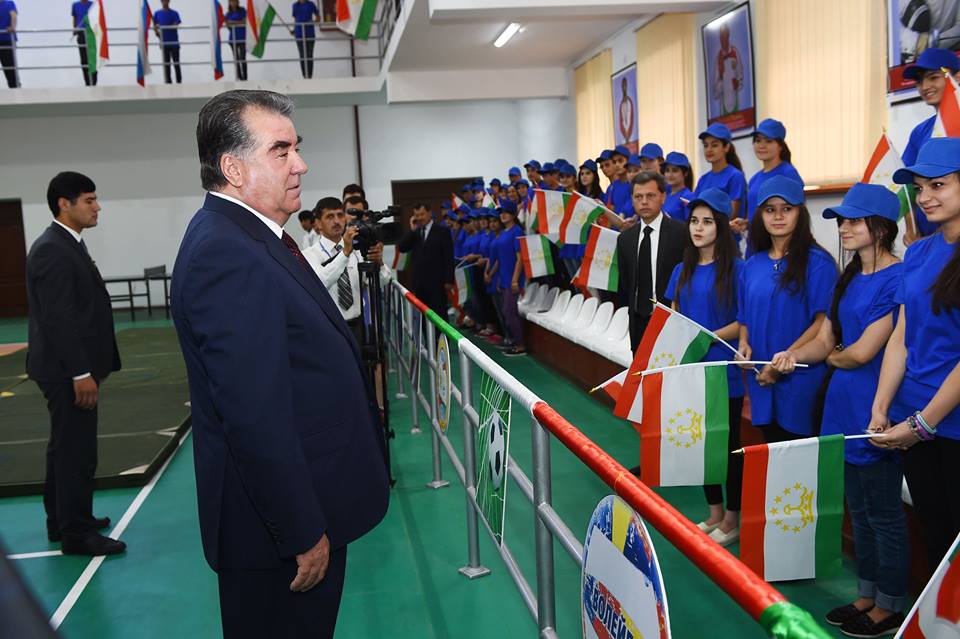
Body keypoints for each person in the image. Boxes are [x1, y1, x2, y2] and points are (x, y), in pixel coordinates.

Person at [171, 90, 389, 639]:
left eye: (297, 147)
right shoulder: (227, 253)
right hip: (279, 536)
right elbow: (253, 416)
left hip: (303, 505)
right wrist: (300, 530)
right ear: (233, 169)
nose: (301, 164)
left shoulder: (252, 238)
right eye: (281, 150)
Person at [771, 183, 908, 638]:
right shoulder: (847, 277)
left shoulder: (897, 278)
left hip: (875, 407)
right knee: (858, 509)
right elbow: (828, 341)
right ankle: (867, 594)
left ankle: (891, 603)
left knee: (883, 513)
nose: (844, 228)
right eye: (841, 221)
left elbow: (862, 352)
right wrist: (794, 355)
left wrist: (832, 355)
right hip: (840, 406)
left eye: (853, 221)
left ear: (881, 227)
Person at [869, 137, 960, 581]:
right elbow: (901, 338)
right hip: (913, 419)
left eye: (938, 185)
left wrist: (924, 424)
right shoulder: (920, 251)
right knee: (935, 533)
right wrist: (881, 406)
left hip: (949, 424)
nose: (924, 197)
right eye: (920, 187)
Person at [26, 172, 123, 556]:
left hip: (66, 368)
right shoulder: (53, 249)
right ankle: (77, 533)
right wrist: (80, 373)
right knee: (76, 452)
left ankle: (61, 519)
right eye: (89, 200)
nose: (97, 207)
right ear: (64, 204)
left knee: (64, 448)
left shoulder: (67, 244)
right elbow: (59, 319)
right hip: (66, 371)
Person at [664, 188, 744, 548]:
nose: (698, 228)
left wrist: (706, 336)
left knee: (727, 445)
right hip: (690, 367)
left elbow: (743, 322)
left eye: (707, 222)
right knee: (700, 443)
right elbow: (674, 313)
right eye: (694, 221)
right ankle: (714, 512)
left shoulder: (737, 270)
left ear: (721, 226)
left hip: (722, 367)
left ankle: (732, 518)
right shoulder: (681, 269)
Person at [738, 176, 838, 442]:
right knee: (771, 450)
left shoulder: (819, 264)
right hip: (761, 378)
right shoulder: (752, 265)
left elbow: (822, 323)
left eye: (787, 208)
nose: (778, 216)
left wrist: (783, 361)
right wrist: (743, 343)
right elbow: (744, 316)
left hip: (800, 378)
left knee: (798, 455)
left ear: (800, 213)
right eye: (770, 210)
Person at [616, 171, 687, 351]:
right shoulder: (625, 239)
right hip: (638, 321)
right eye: (638, 197)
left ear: (663, 197)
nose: (644, 202)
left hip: (671, 320)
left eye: (650, 196)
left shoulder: (681, 233)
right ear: (632, 199)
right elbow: (625, 283)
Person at [303, 197, 383, 345]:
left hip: (358, 325)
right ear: (318, 223)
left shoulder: (358, 251)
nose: (336, 221)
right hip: (329, 327)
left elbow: (381, 283)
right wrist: (345, 253)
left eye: (340, 215)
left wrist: (379, 263)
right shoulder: (309, 255)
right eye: (330, 216)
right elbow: (320, 282)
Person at [901, 48, 960, 241]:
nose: (925, 86)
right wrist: (911, 227)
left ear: (957, 77)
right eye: (919, 81)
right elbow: (907, 185)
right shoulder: (920, 132)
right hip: (929, 238)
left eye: (933, 77)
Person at [397, 202, 454, 317]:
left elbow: (448, 256)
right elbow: (402, 248)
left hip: (437, 282)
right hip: (419, 283)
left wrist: (449, 280)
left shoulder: (442, 231)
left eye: (422, 214)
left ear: (429, 213)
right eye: (417, 215)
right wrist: (412, 230)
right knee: (422, 316)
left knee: (439, 314)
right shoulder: (415, 232)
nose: (419, 218)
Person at [746, 118, 803, 226]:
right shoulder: (754, 179)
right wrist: (745, 223)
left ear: (780, 146)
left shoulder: (788, 173)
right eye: (758, 140)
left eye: (768, 141)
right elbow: (755, 214)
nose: (761, 145)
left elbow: (797, 213)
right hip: (755, 236)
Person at [695, 123, 748, 234]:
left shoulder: (735, 176)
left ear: (726, 147)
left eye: (714, 145)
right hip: (706, 237)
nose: (709, 149)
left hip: (726, 239)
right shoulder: (703, 180)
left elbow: (731, 214)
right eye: (706, 145)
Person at [153, 0, 182, 84]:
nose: (165, 2)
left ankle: (179, 82)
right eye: (163, 0)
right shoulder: (157, 13)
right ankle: (168, 83)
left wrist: (166, 26)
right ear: (161, 1)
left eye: (166, 0)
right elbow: (155, 26)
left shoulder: (174, 13)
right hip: (164, 43)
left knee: (176, 63)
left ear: (169, 1)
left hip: (174, 43)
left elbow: (176, 24)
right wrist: (157, 32)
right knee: (166, 65)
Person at [662, 151, 694, 221]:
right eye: (667, 170)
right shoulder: (665, 195)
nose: (670, 175)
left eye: (675, 170)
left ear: (685, 173)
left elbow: (691, 223)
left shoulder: (687, 197)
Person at [71, 0, 97, 86]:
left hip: (91, 33)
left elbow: (96, 18)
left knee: (93, 59)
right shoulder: (75, 5)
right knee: (84, 60)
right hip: (81, 32)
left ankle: (93, 82)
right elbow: (75, 18)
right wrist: (74, 29)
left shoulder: (93, 5)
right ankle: (87, 82)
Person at [292, 0, 319, 79]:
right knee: (302, 55)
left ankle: (309, 75)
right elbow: (295, 20)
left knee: (309, 55)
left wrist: (312, 22)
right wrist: (294, 30)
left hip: (310, 33)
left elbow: (318, 17)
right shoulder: (295, 5)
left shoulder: (310, 4)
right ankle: (304, 75)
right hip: (299, 34)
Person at [225, 0, 248, 81]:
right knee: (236, 58)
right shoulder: (228, 14)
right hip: (233, 39)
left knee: (242, 58)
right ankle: (239, 77)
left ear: (238, 2)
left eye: (235, 1)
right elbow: (228, 25)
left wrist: (233, 22)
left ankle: (245, 78)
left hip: (242, 38)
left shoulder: (242, 10)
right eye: (232, 1)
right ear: (230, 3)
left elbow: (245, 22)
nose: (233, 3)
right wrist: (238, 22)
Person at [0, 0, 18, 88]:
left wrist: (12, 27)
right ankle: (14, 86)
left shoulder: (9, 3)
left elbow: (13, 15)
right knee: (10, 68)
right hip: (5, 39)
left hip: (6, 39)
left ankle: (14, 88)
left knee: (10, 68)